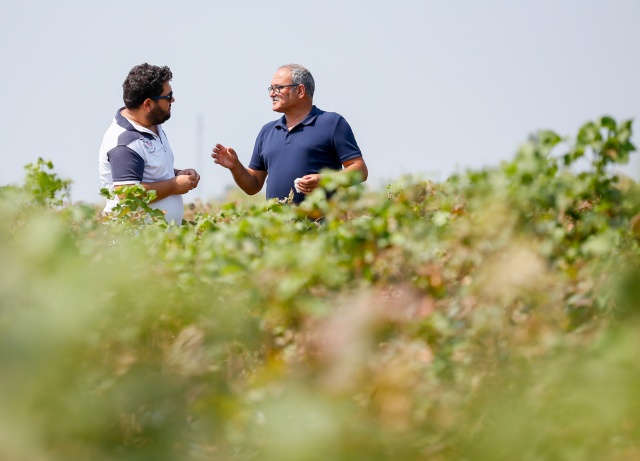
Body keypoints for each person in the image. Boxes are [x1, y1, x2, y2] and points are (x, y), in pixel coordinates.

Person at [212, 64, 367, 204]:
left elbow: (359, 171)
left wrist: (324, 180)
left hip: (322, 229)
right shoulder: (267, 131)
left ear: (300, 90)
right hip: (278, 230)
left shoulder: (332, 123)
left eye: (278, 88)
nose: (272, 94)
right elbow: (253, 186)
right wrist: (235, 166)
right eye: (270, 89)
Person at [98, 63, 200, 224]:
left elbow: (150, 169)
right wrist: (173, 185)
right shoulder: (125, 143)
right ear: (148, 105)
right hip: (133, 242)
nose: (173, 99)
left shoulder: (153, 125)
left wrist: (177, 174)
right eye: (168, 96)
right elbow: (128, 193)